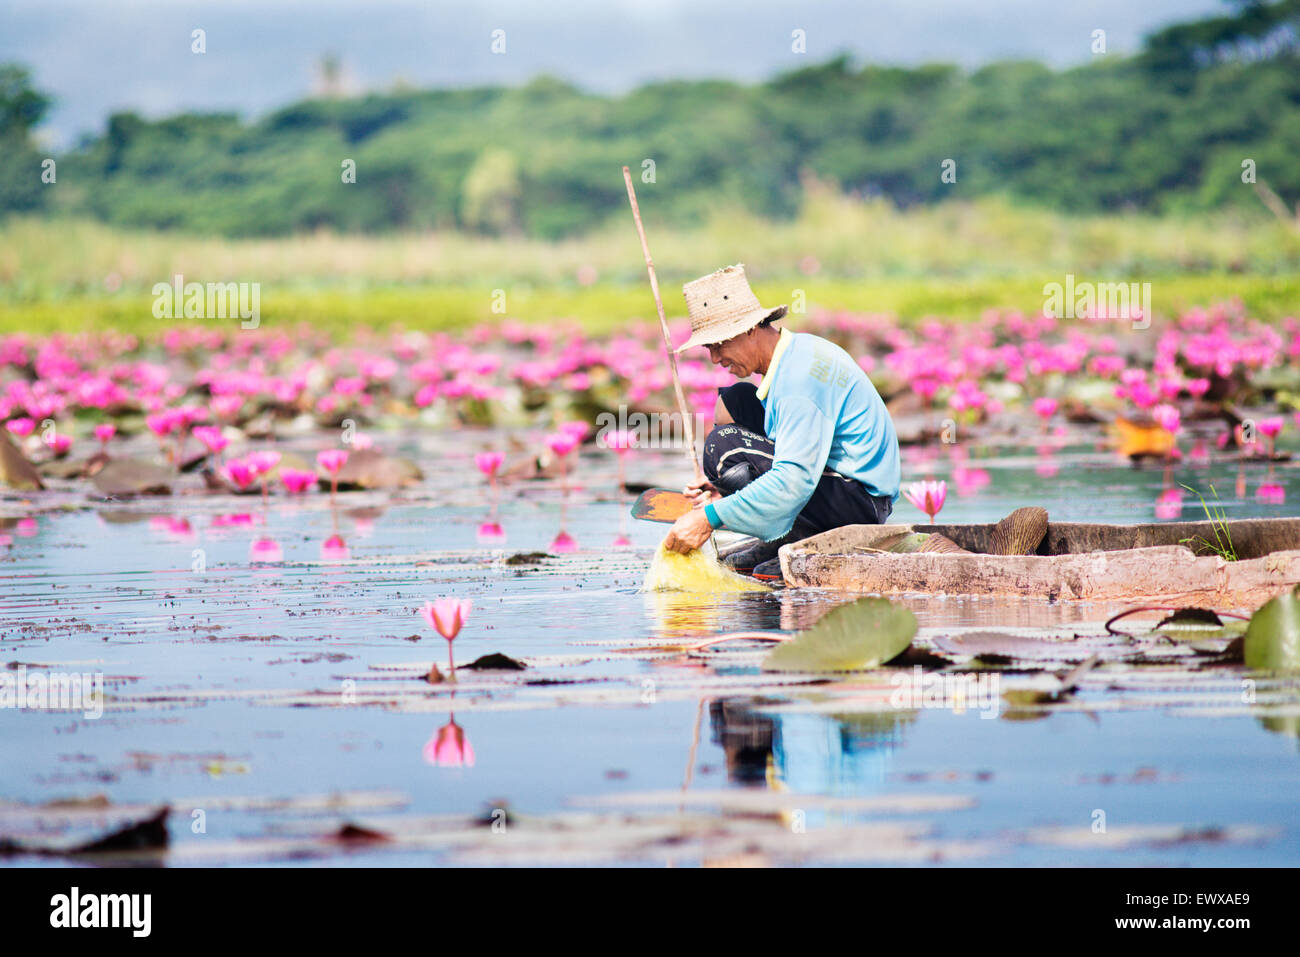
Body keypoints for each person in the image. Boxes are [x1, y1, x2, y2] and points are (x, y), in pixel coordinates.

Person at [662, 264, 900, 581]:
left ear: (749, 330)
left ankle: (799, 539)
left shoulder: (799, 378)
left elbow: (794, 480)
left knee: (723, 447)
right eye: (710, 348)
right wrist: (723, 488)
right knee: (733, 403)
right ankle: (780, 536)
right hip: (837, 485)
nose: (715, 359)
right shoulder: (792, 356)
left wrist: (709, 518)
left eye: (720, 344)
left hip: (859, 505)